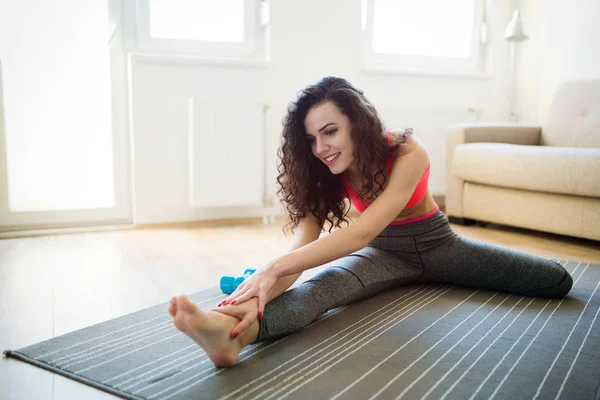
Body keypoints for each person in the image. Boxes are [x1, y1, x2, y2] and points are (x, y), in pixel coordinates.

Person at [168, 76, 573, 367]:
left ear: (357, 124)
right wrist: (256, 290)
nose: (321, 148)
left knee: (555, 280)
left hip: (440, 246)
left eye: (330, 132)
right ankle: (228, 334)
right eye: (311, 139)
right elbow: (303, 252)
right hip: (384, 255)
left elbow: (363, 230)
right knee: (318, 290)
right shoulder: (325, 171)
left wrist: (273, 269)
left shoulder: (407, 151)